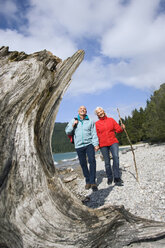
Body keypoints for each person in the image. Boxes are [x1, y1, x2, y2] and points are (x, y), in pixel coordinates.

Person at [65, 106, 99, 191]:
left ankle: (93, 182)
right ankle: (87, 181)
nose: (82, 110)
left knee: (92, 161)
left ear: (86, 111)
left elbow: (94, 133)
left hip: (89, 144)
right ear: (78, 111)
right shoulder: (73, 120)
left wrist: (96, 144)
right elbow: (67, 131)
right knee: (83, 164)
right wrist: (73, 125)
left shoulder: (90, 121)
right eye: (81, 109)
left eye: (84, 109)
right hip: (79, 146)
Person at [95, 107, 125, 186]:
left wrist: (122, 128)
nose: (100, 112)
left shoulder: (111, 120)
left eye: (101, 111)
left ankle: (117, 177)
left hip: (113, 142)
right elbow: (96, 135)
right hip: (103, 144)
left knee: (116, 157)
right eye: (98, 112)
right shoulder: (97, 124)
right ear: (97, 114)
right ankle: (109, 177)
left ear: (103, 111)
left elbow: (118, 129)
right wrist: (96, 145)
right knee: (107, 162)